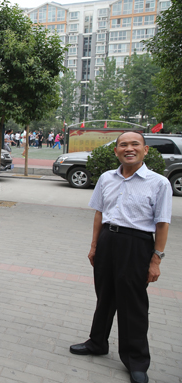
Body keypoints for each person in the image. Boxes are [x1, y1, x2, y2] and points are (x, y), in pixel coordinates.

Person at [69, 131, 171, 383]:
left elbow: (162, 224)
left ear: (145, 150)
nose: (129, 149)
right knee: (104, 296)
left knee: (133, 304)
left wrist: (156, 259)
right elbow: (99, 213)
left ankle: (136, 360)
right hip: (107, 240)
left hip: (136, 245)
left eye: (135, 144)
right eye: (123, 145)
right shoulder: (107, 178)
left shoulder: (158, 183)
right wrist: (94, 246)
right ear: (116, 151)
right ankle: (97, 342)